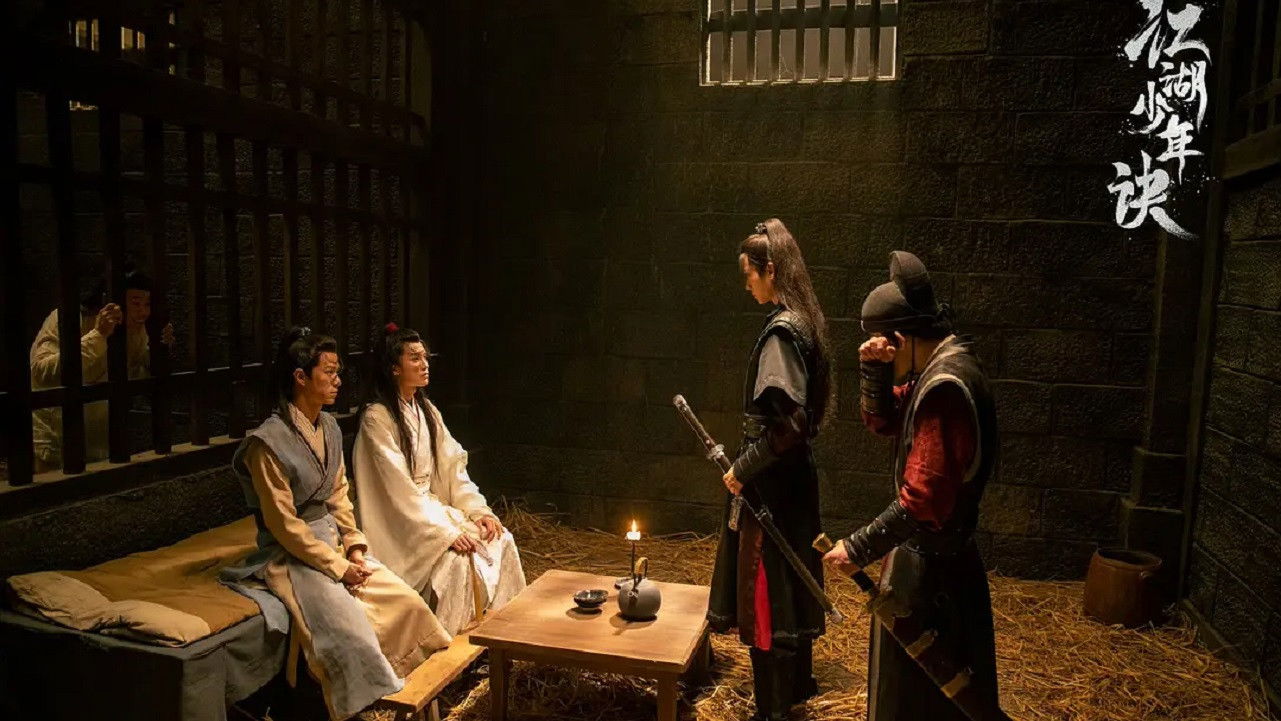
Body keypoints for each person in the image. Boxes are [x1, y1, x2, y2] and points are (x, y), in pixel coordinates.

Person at [221, 327, 450, 721]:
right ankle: (351, 708)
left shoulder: (327, 426)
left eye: (338, 372)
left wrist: (355, 545)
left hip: (335, 543)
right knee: (349, 629)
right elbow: (283, 524)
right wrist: (338, 567)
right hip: (292, 555)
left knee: (407, 604)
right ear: (300, 377)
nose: (338, 380)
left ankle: (412, 697)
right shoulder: (266, 444)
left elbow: (339, 494)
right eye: (328, 372)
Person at [821, 251, 1009, 721]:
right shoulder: (941, 368)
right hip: (931, 567)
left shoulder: (945, 388)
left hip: (934, 578)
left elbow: (924, 499)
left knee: (919, 705)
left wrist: (858, 547)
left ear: (901, 339)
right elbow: (885, 420)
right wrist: (876, 369)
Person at [709, 219, 832, 721]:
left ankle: (774, 709)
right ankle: (796, 689)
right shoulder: (803, 321)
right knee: (789, 587)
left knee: (768, 591)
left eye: (750, 274)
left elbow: (790, 425)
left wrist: (743, 467)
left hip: (772, 491)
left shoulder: (783, 333)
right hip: (791, 484)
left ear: (771, 270)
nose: (747, 284)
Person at [352, 323, 525, 636]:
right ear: (394, 368)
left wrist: (478, 511)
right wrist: (443, 534)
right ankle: (450, 643)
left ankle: (504, 633)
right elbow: (397, 490)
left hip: (431, 510)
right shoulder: (377, 418)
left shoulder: (426, 410)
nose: (424, 364)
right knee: (459, 561)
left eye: (425, 357)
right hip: (403, 522)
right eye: (414, 358)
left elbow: (453, 468)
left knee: (501, 539)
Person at [29, 265, 174, 471]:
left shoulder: (134, 329)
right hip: (57, 440)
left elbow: (137, 375)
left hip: (102, 443)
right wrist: (98, 335)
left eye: (147, 304)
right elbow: (41, 372)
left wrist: (159, 351)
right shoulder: (69, 318)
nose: (143, 312)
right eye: (135, 303)